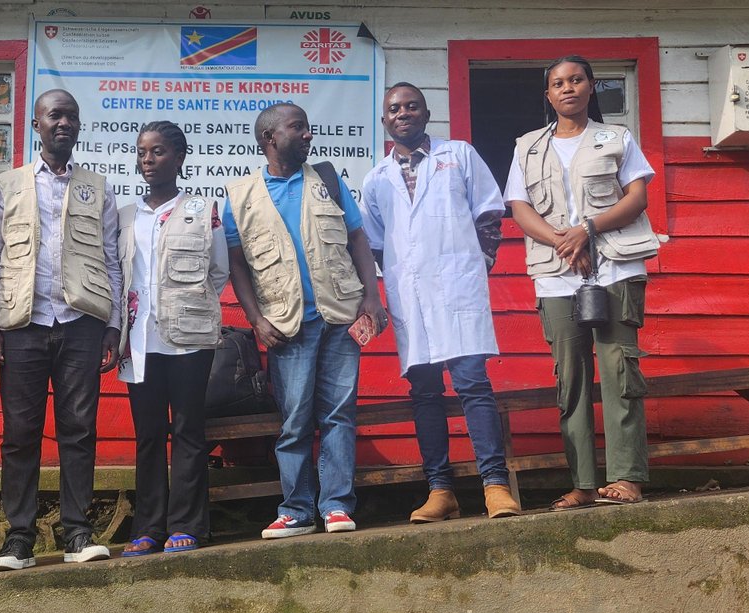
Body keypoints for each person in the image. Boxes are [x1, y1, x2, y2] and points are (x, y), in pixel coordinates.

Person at [224, 102, 388, 539]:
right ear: (270, 138)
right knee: (295, 421)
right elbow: (237, 264)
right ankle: (296, 510)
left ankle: (336, 506)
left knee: (338, 415)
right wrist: (256, 320)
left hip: (341, 318)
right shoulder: (240, 196)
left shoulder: (327, 181)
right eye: (297, 127)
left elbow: (357, 238)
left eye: (308, 127)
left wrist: (372, 297)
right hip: (286, 326)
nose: (308, 135)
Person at [504, 56, 662, 511]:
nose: (568, 88)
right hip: (557, 276)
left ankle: (627, 477)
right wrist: (565, 241)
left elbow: (636, 197)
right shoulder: (527, 147)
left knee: (619, 371)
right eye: (558, 83)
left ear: (591, 87)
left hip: (615, 268)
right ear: (548, 94)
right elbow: (519, 208)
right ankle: (584, 484)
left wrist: (587, 230)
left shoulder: (616, 138)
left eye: (576, 80)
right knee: (570, 379)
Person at [0, 89, 124, 571]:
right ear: (36, 124)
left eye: (71, 116)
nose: (64, 123)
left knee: (79, 430)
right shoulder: (9, 185)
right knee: (20, 433)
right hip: (22, 325)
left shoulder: (97, 188)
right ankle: (19, 538)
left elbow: (111, 259)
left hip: (81, 324)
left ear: (79, 127)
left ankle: (77, 532)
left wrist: (112, 324)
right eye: (55, 115)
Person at [360, 82, 520, 522]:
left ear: (426, 114)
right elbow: (376, 245)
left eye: (412, 106)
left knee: (473, 385)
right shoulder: (376, 179)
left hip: (458, 288)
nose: (403, 113)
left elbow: (489, 214)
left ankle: (495, 486)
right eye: (395, 108)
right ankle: (440, 491)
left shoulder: (459, 155)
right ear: (385, 120)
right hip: (411, 298)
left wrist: (475, 267)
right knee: (425, 393)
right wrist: (402, 281)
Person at [116, 122, 230, 557]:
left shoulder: (202, 210)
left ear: (179, 158)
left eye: (158, 151)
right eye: (142, 152)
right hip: (138, 340)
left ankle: (186, 524)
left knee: (187, 430)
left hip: (188, 340)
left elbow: (217, 271)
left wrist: (187, 308)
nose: (148, 160)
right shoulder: (126, 216)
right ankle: (148, 526)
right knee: (148, 434)